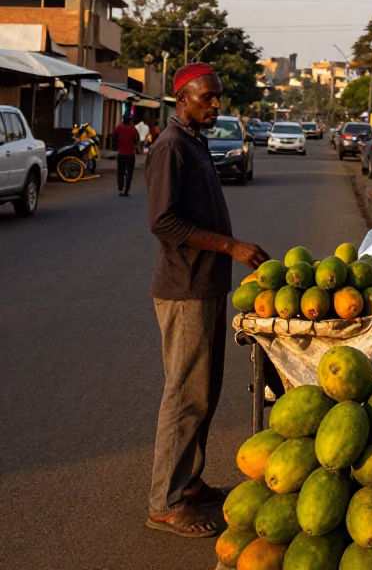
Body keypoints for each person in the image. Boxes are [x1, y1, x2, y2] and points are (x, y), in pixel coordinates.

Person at [146, 62, 268, 539]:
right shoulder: (170, 146)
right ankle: (165, 502)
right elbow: (163, 222)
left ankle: (189, 481)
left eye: (217, 96)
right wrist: (230, 246)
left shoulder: (194, 141)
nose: (216, 104)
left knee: (205, 391)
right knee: (183, 396)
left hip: (209, 286)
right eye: (206, 97)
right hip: (185, 288)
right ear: (182, 99)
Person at [113, 113, 139, 196]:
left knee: (121, 172)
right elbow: (135, 140)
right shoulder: (133, 129)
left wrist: (117, 146)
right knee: (129, 173)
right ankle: (126, 190)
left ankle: (120, 188)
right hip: (130, 155)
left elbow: (114, 139)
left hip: (121, 154)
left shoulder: (118, 128)